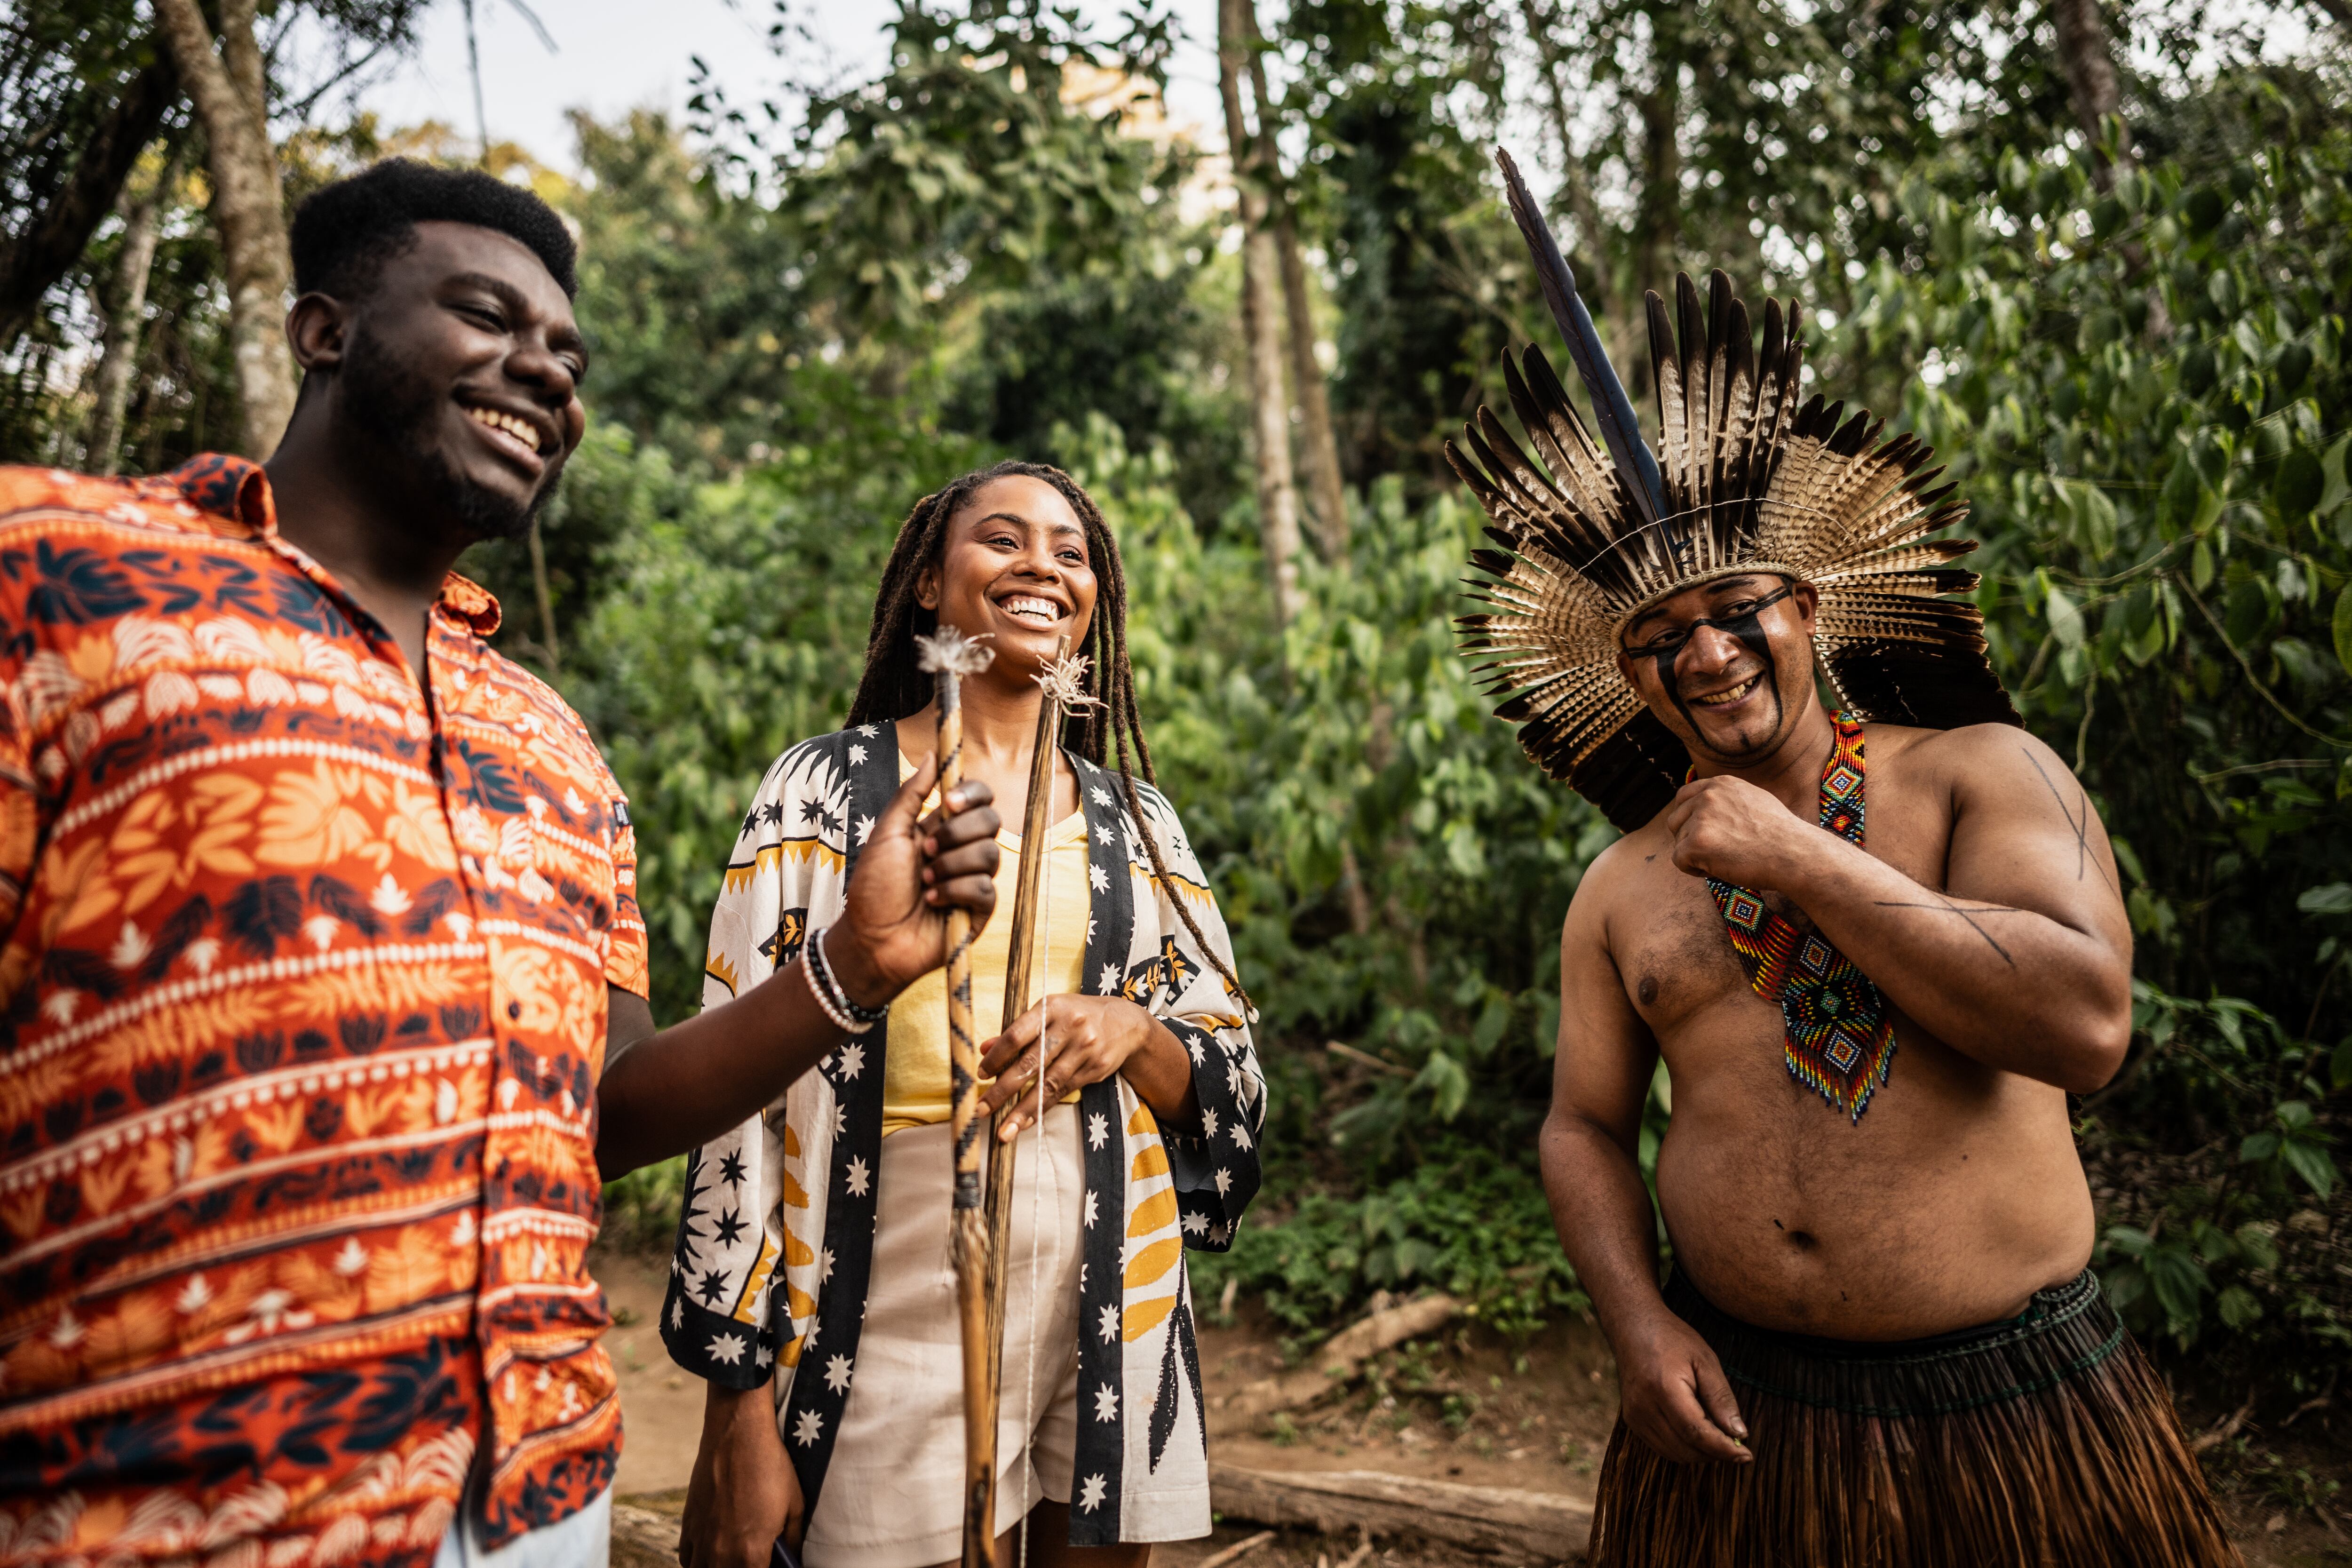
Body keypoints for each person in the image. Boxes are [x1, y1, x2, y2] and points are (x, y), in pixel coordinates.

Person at [0, 159, 999, 1568]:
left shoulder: (548, 742)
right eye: (487, 316)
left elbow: (603, 1103)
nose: (544, 373)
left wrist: (857, 964)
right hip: (157, 1508)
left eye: (568, 358)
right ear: (326, 327)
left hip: (536, 1498)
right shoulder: (60, 573)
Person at [1443, 157, 2240, 1568]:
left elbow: (2085, 1024)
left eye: (1736, 605)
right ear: (1628, 676)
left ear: (1806, 606)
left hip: (2015, 1415)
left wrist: (1802, 860)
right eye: (1658, 633)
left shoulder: (1989, 771)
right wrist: (1637, 1323)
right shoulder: (1624, 881)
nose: (1704, 648)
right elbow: (1582, 1124)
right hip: (1747, 1414)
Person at [665, 460, 1265, 1568]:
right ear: (930, 591)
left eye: (1072, 552)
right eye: (1002, 538)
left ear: (1096, 603)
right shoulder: (824, 793)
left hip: (1110, 1282)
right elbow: (735, 1107)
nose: (1043, 563)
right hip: (881, 1275)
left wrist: (1130, 1032)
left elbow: (1231, 1070)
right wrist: (737, 1407)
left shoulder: (1141, 823)